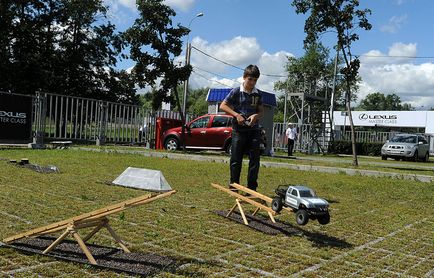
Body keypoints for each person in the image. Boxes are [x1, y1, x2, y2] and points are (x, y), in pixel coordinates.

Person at [219, 65, 264, 191]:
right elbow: (223, 105)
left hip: (254, 130)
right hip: (238, 131)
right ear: (244, 77)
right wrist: (236, 115)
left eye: (255, 80)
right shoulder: (236, 91)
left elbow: (261, 112)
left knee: (255, 160)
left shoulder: (258, 94)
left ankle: (251, 188)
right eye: (250, 79)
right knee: (236, 159)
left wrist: (256, 115)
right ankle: (234, 186)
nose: (252, 82)